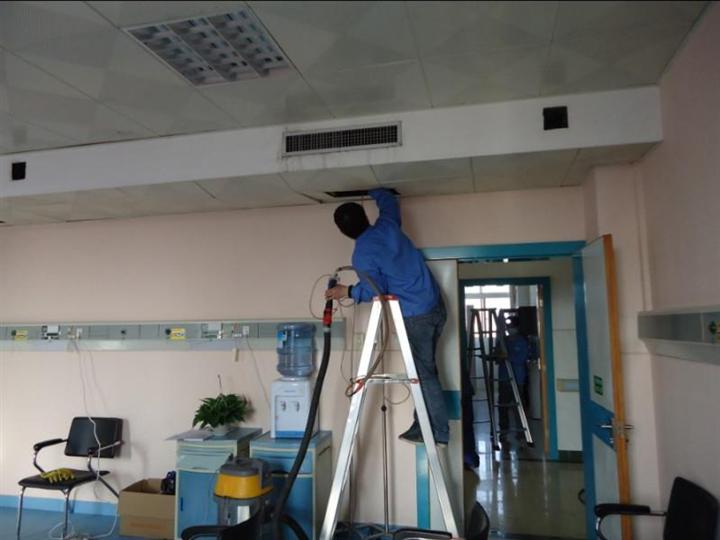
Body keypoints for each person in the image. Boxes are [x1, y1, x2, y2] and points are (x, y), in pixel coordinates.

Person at [325, 188, 449, 446]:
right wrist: (373, 189)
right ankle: (422, 424)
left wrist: (346, 291)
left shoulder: (362, 254)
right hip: (436, 305)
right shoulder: (388, 225)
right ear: (364, 216)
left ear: (343, 231)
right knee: (426, 369)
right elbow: (389, 202)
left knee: (424, 374)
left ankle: (438, 432)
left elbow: (375, 290)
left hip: (416, 315)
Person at [497, 315, 530, 442]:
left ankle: (521, 434)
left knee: (518, 408)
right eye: (508, 327)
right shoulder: (503, 341)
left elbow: (521, 359)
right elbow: (498, 357)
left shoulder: (522, 342)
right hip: (504, 378)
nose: (510, 329)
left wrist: (507, 356)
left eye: (512, 327)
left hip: (517, 379)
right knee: (503, 406)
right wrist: (498, 356)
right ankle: (503, 432)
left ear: (517, 327)